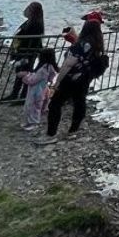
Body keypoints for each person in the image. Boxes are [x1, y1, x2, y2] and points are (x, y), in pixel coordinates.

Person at [35, 12, 107, 144]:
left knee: (56, 103)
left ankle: (51, 134)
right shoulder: (97, 42)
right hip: (86, 78)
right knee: (79, 102)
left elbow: (68, 63)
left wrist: (57, 82)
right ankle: (73, 131)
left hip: (71, 78)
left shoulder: (81, 43)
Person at [5, 1, 45, 101]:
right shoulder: (31, 22)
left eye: (29, 8)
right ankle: (17, 95)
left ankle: (21, 96)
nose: (27, 9)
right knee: (22, 73)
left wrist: (27, 54)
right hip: (23, 52)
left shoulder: (35, 24)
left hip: (27, 53)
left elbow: (34, 40)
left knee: (24, 73)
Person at [19, 48, 58, 130]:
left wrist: (25, 76)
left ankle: (33, 123)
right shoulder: (50, 67)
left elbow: (32, 80)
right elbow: (51, 77)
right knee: (37, 106)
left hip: (36, 90)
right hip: (43, 88)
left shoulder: (42, 69)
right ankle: (31, 121)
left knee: (33, 106)